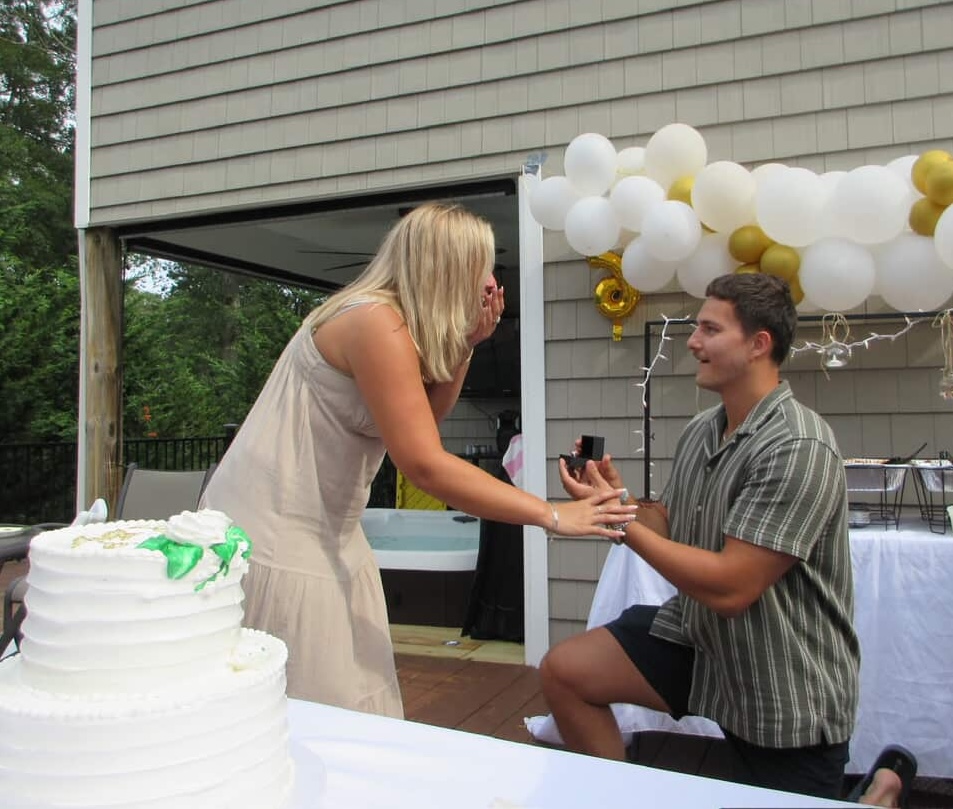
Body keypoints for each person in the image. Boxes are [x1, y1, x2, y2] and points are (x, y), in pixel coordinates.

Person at [202, 202, 636, 718]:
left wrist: (469, 345)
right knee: (314, 708)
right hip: (277, 535)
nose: (490, 279)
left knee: (354, 694)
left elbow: (422, 426)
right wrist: (552, 515)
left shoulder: (391, 326)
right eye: (482, 265)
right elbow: (424, 463)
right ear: (449, 268)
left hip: (331, 534)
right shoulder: (373, 323)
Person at [540, 273, 861, 800]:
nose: (692, 342)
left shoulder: (798, 446)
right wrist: (614, 502)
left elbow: (731, 588)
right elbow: (670, 523)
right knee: (566, 673)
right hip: (700, 639)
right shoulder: (701, 430)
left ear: (759, 344)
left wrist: (615, 524)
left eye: (710, 330)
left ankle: (878, 791)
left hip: (783, 683)